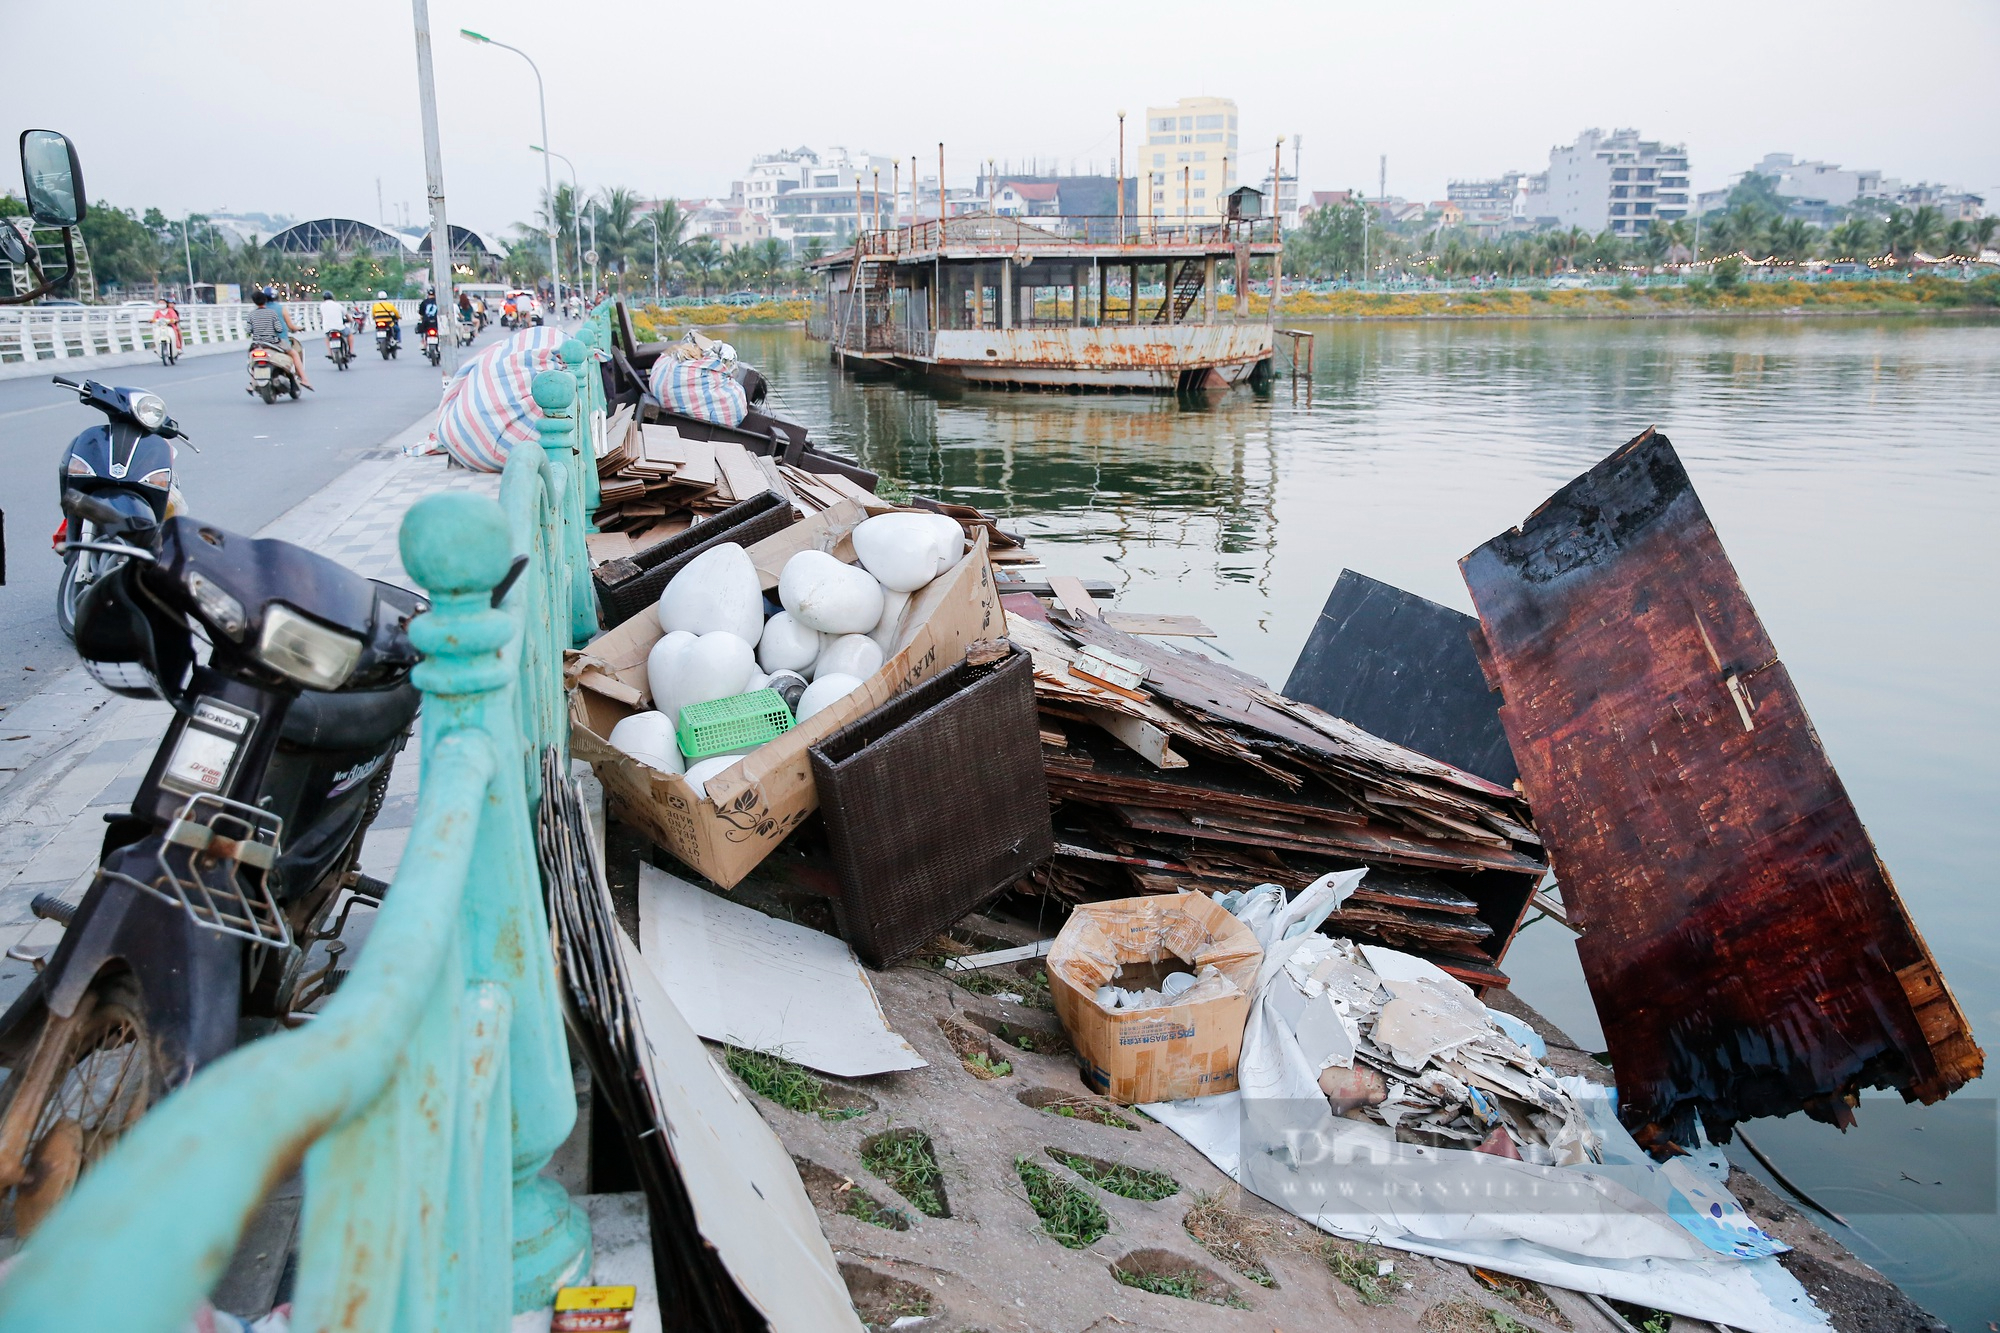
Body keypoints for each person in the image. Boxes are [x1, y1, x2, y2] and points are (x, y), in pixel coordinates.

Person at [247, 288, 311, 389]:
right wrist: (297, 328)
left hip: (259, 342)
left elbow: (249, 329)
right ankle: (304, 379)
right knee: (294, 354)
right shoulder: (280, 309)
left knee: (251, 358)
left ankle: (252, 383)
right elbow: (287, 327)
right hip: (278, 341)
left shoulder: (254, 312)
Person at [318, 290, 347, 359]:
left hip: (328, 328)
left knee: (327, 337)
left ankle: (330, 353)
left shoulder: (322, 306)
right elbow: (346, 314)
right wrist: (350, 320)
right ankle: (351, 351)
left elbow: (322, 317)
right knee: (349, 334)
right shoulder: (338, 305)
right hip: (339, 327)